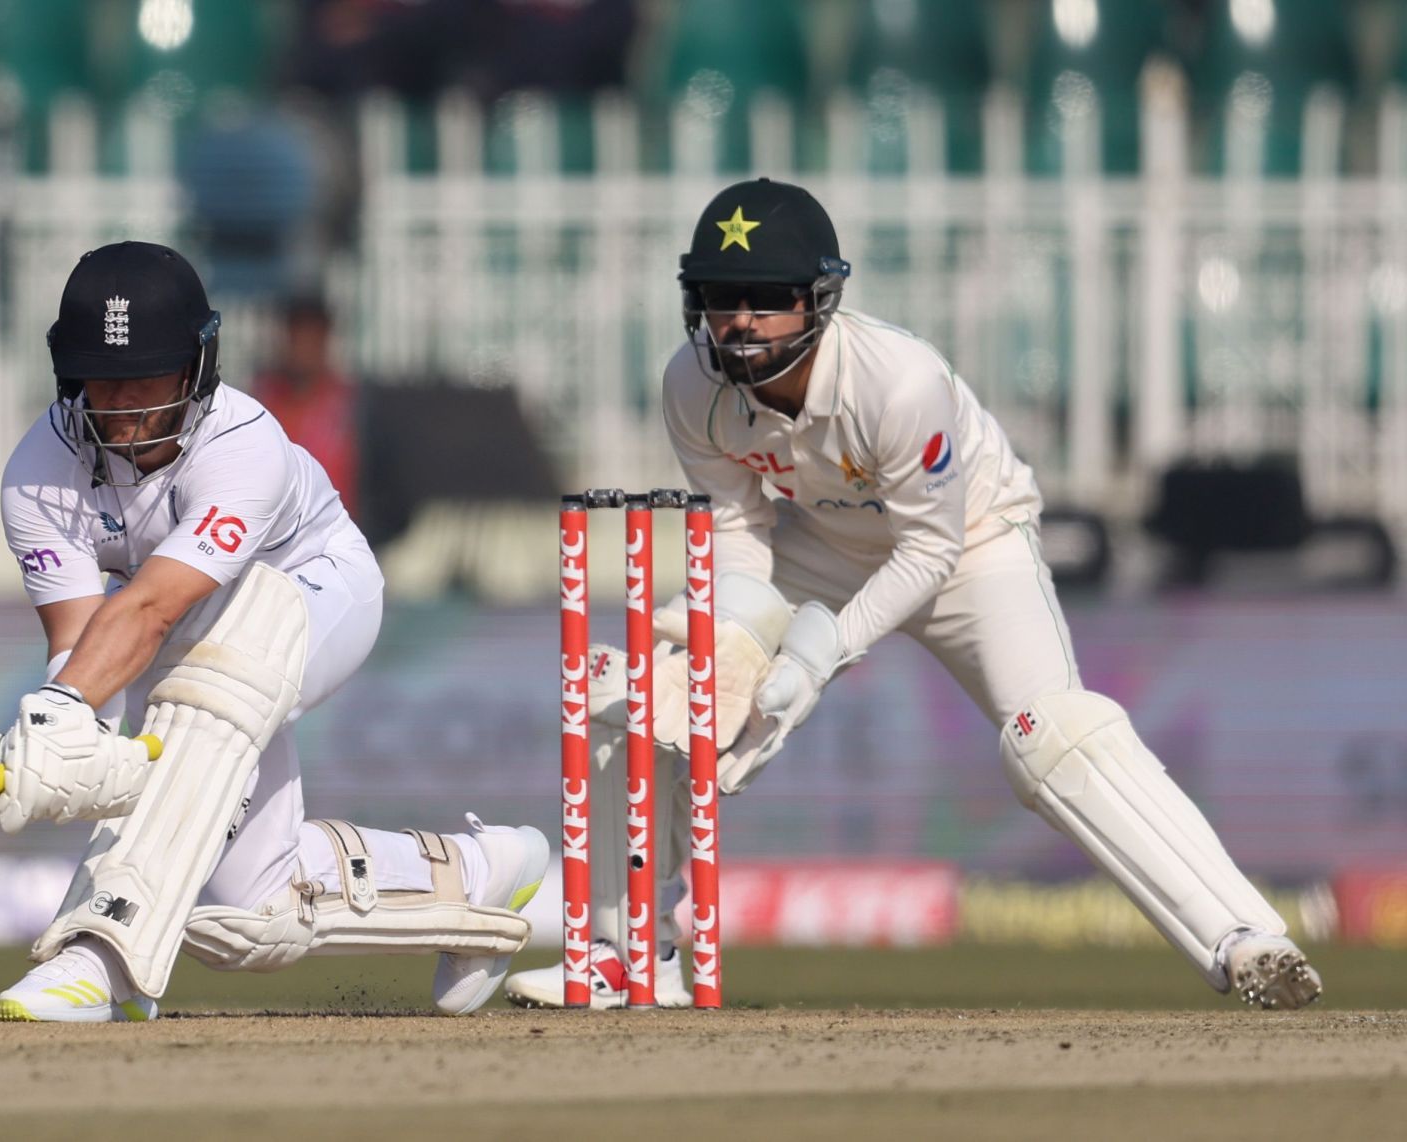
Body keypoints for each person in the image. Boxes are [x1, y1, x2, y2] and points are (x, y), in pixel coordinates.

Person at [505, 178, 1322, 1011]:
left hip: (972, 547)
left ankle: (1245, 938)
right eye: (721, 298)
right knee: (648, 699)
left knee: (1055, 737)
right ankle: (630, 954)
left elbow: (929, 549)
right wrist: (741, 646)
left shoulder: (899, 381)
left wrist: (815, 656)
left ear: (819, 300)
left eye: (765, 300)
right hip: (820, 546)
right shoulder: (692, 386)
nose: (740, 321)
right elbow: (740, 531)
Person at [0, 241, 546, 1022]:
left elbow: (149, 608)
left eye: (146, 376)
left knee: (216, 687)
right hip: (191, 636)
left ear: (197, 365)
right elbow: (83, 647)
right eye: (101, 378)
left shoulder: (243, 443)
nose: (122, 404)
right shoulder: (35, 471)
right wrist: (63, 737)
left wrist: (62, 706)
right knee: (251, 912)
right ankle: (478, 877)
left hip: (318, 591)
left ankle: (99, 957)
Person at [249, 294, 360, 514]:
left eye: (313, 336)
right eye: (297, 335)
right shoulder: (260, 402)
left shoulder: (351, 404)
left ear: (326, 338)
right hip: (274, 533)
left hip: (339, 533)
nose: (304, 346)